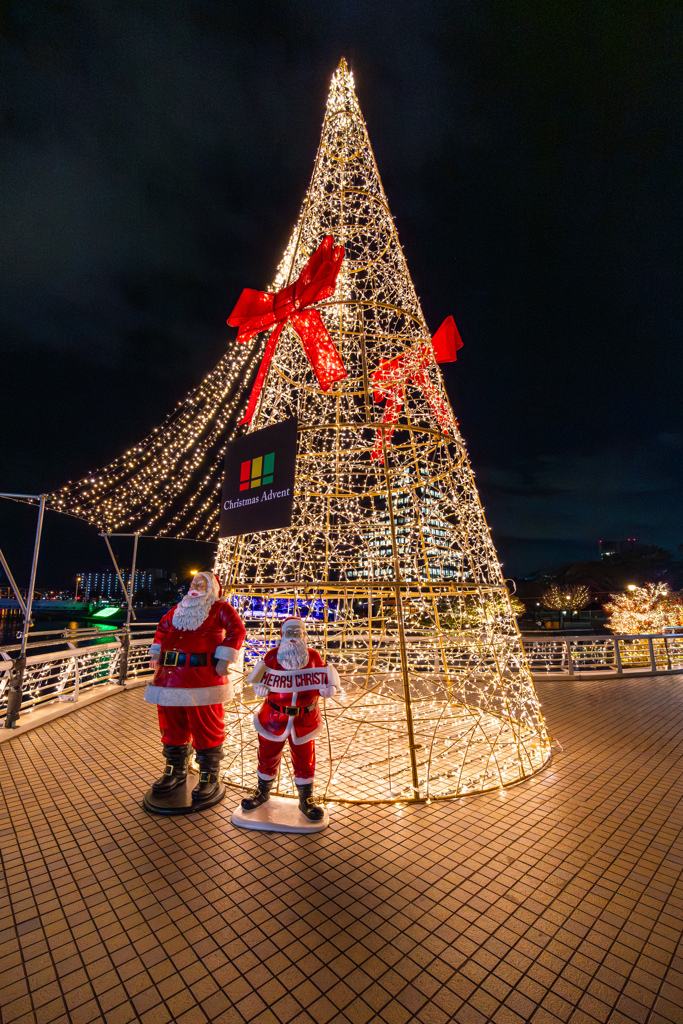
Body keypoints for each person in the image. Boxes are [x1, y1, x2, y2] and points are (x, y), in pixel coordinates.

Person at [146, 572, 246, 801]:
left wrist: (224, 659)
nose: (195, 587)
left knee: (206, 726)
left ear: (211, 589)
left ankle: (209, 776)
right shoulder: (178, 609)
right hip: (168, 679)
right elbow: (162, 628)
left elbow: (237, 630)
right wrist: (156, 652)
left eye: (201, 584)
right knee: (171, 726)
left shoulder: (220, 608)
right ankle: (175, 770)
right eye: (193, 583)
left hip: (202, 679)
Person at [241, 616, 338, 821]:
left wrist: (327, 689)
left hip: (305, 719)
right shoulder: (272, 656)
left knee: (305, 759)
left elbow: (323, 680)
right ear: (283, 635)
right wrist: (260, 688)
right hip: (273, 718)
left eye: (297, 633)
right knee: (267, 755)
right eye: (289, 633)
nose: (293, 637)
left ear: (304, 635)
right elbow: (259, 679)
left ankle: (306, 798)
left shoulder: (313, 657)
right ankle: (262, 791)